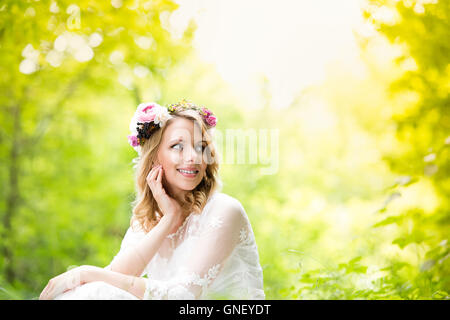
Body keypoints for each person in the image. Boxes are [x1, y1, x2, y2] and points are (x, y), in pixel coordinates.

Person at [39, 99, 265, 300]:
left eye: (200, 147)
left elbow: (182, 296)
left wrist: (84, 272)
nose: (193, 157)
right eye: (178, 146)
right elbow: (114, 278)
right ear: (155, 156)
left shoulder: (225, 210)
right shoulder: (147, 219)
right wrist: (169, 219)